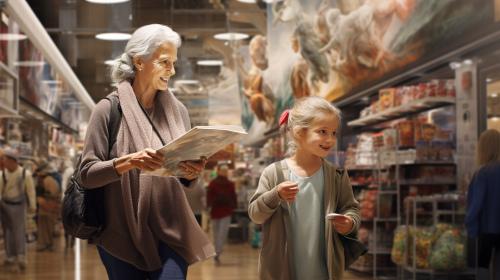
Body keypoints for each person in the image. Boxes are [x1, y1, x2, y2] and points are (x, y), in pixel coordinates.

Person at [79, 24, 214, 280]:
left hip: (172, 227)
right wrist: (127, 162)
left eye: (173, 63)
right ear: (139, 61)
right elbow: (87, 174)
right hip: (122, 229)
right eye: (164, 62)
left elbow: (184, 178)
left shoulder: (179, 112)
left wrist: (191, 172)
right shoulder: (108, 110)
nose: (172, 71)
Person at [248, 96, 360, 280]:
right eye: (322, 131)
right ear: (300, 133)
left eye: (333, 133)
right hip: (281, 269)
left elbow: (351, 208)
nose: (330, 139)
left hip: (326, 270)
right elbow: (255, 214)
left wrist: (349, 223)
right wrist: (275, 195)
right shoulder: (273, 173)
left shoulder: (337, 175)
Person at [465, 129, 500, 280]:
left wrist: (470, 227)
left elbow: (475, 204)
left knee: (483, 261)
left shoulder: (482, 173)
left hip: (487, 228)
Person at [0, 149, 36, 269]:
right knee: (7, 232)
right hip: (4, 206)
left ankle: (20, 256)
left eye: (4, 159)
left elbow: (30, 191)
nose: (2, 161)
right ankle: (11, 256)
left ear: (11, 160)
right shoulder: (2, 174)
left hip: (19, 205)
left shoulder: (25, 173)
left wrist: (32, 206)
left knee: (19, 231)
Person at [206, 165, 238, 263]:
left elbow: (234, 195)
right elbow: (209, 196)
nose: (225, 172)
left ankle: (218, 252)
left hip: (227, 210)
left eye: (226, 170)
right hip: (215, 210)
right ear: (219, 171)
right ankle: (217, 251)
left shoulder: (230, 184)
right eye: (223, 170)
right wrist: (208, 207)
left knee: (223, 233)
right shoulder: (212, 183)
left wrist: (236, 205)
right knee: (216, 233)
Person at [33, 157, 61, 252]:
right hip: (43, 205)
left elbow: (53, 193)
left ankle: (47, 243)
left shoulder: (47, 179)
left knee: (48, 225)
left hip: (47, 205)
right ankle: (44, 243)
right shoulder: (43, 179)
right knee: (43, 225)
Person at [60, 159, 76, 248]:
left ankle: (67, 243)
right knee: (72, 222)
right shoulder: (73, 171)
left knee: (66, 222)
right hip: (73, 200)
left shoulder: (66, 172)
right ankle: (72, 240)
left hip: (67, 201)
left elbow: (63, 187)